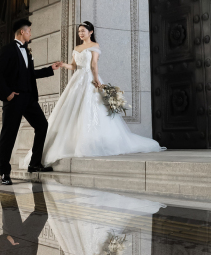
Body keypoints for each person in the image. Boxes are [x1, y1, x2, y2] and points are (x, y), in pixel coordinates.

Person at [28, 21, 163, 167]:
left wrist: (97, 80)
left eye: (83, 31)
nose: (80, 33)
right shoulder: (77, 48)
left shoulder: (95, 46)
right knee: (74, 109)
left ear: (90, 32)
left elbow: (93, 65)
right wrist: (63, 65)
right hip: (77, 79)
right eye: (79, 31)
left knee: (91, 108)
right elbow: (73, 66)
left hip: (89, 79)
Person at [0, 16, 61, 184]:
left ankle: (35, 164)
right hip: (14, 99)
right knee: (9, 135)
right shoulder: (8, 49)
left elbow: (30, 74)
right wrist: (7, 93)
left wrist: (49, 69)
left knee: (42, 125)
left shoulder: (26, 50)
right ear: (22, 32)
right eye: (29, 31)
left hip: (29, 98)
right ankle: (4, 173)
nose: (31, 34)